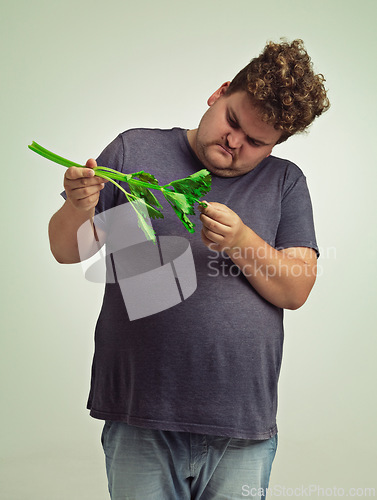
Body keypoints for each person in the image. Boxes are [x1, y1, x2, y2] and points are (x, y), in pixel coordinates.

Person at [49, 39, 329, 499]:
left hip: (242, 425)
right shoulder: (133, 151)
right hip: (140, 415)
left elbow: (296, 289)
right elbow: (67, 250)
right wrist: (80, 208)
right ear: (219, 93)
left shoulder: (284, 182)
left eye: (256, 141)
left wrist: (242, 241)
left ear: (276, 144)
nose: (234, 141)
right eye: (232, 121)